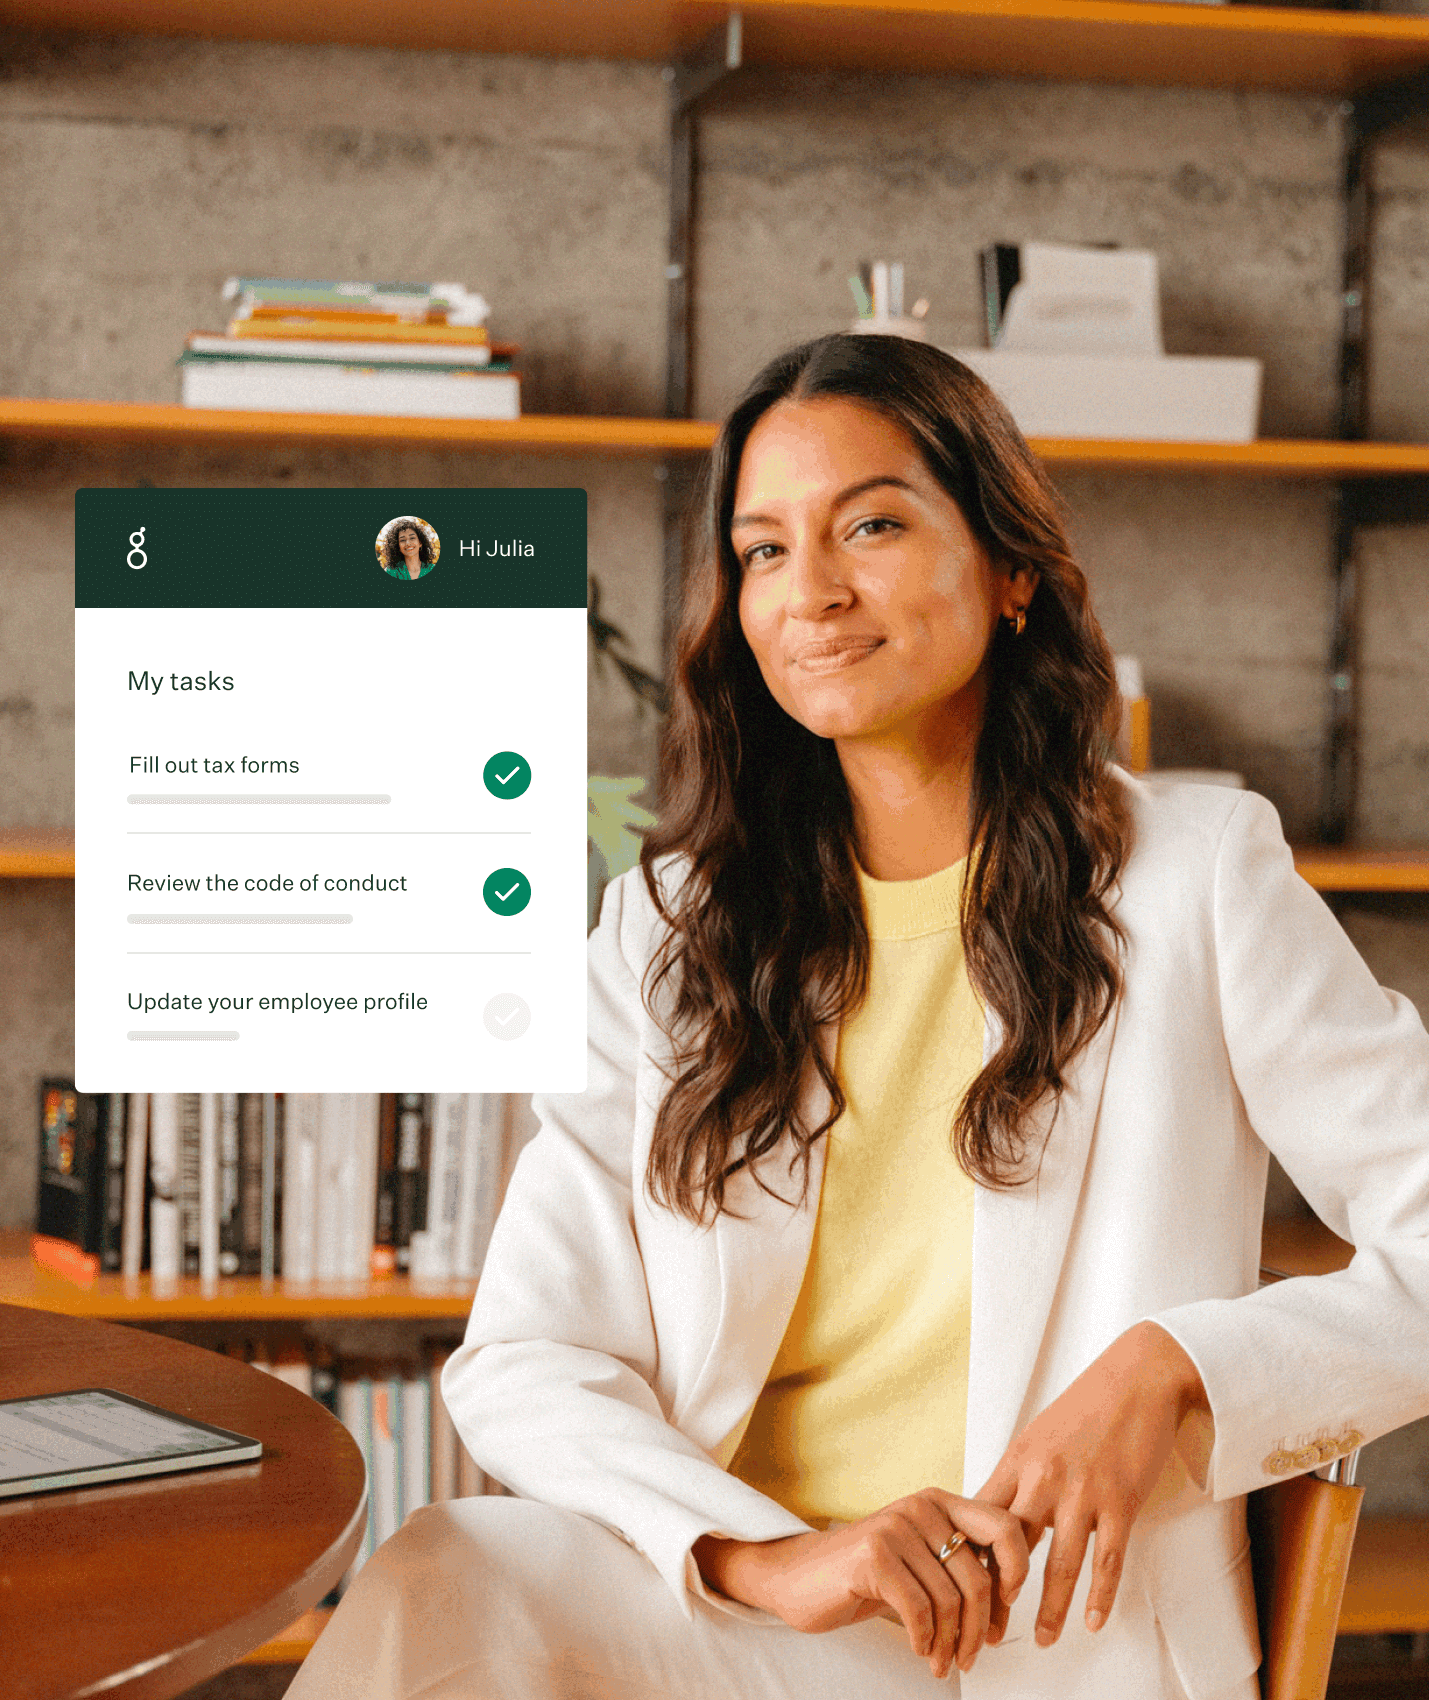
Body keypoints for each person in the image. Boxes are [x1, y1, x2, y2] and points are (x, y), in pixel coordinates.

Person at [287, 335, 1429, 1700]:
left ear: (1010, 571)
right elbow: (530, 1349)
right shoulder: (669, 930)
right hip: (772, 1619)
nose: (813, 591)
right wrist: (770, 1560)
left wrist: (1174, 1369)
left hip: (1058, 1644)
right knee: (448, 1568)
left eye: (871, 525)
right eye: (764, 551)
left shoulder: (1199, 876)